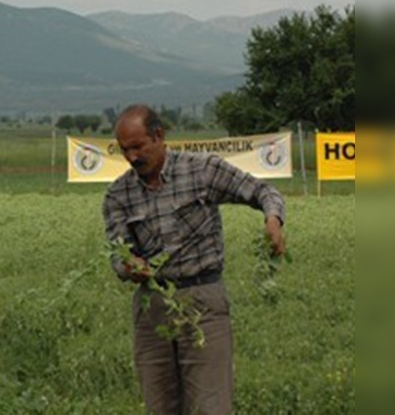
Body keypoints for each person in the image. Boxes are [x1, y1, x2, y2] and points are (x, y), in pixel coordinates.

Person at [103, 104, 285, 414]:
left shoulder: (203, 170)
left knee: (209, 405)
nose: (132, 157)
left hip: (203, 303)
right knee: (160, 406)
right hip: (153, 306)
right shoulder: (118, 195)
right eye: (124, 150)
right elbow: (118, 254)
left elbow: (264, 191)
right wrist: (128, 266)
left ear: (159, 136)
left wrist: (273, 221)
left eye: (138, 146)